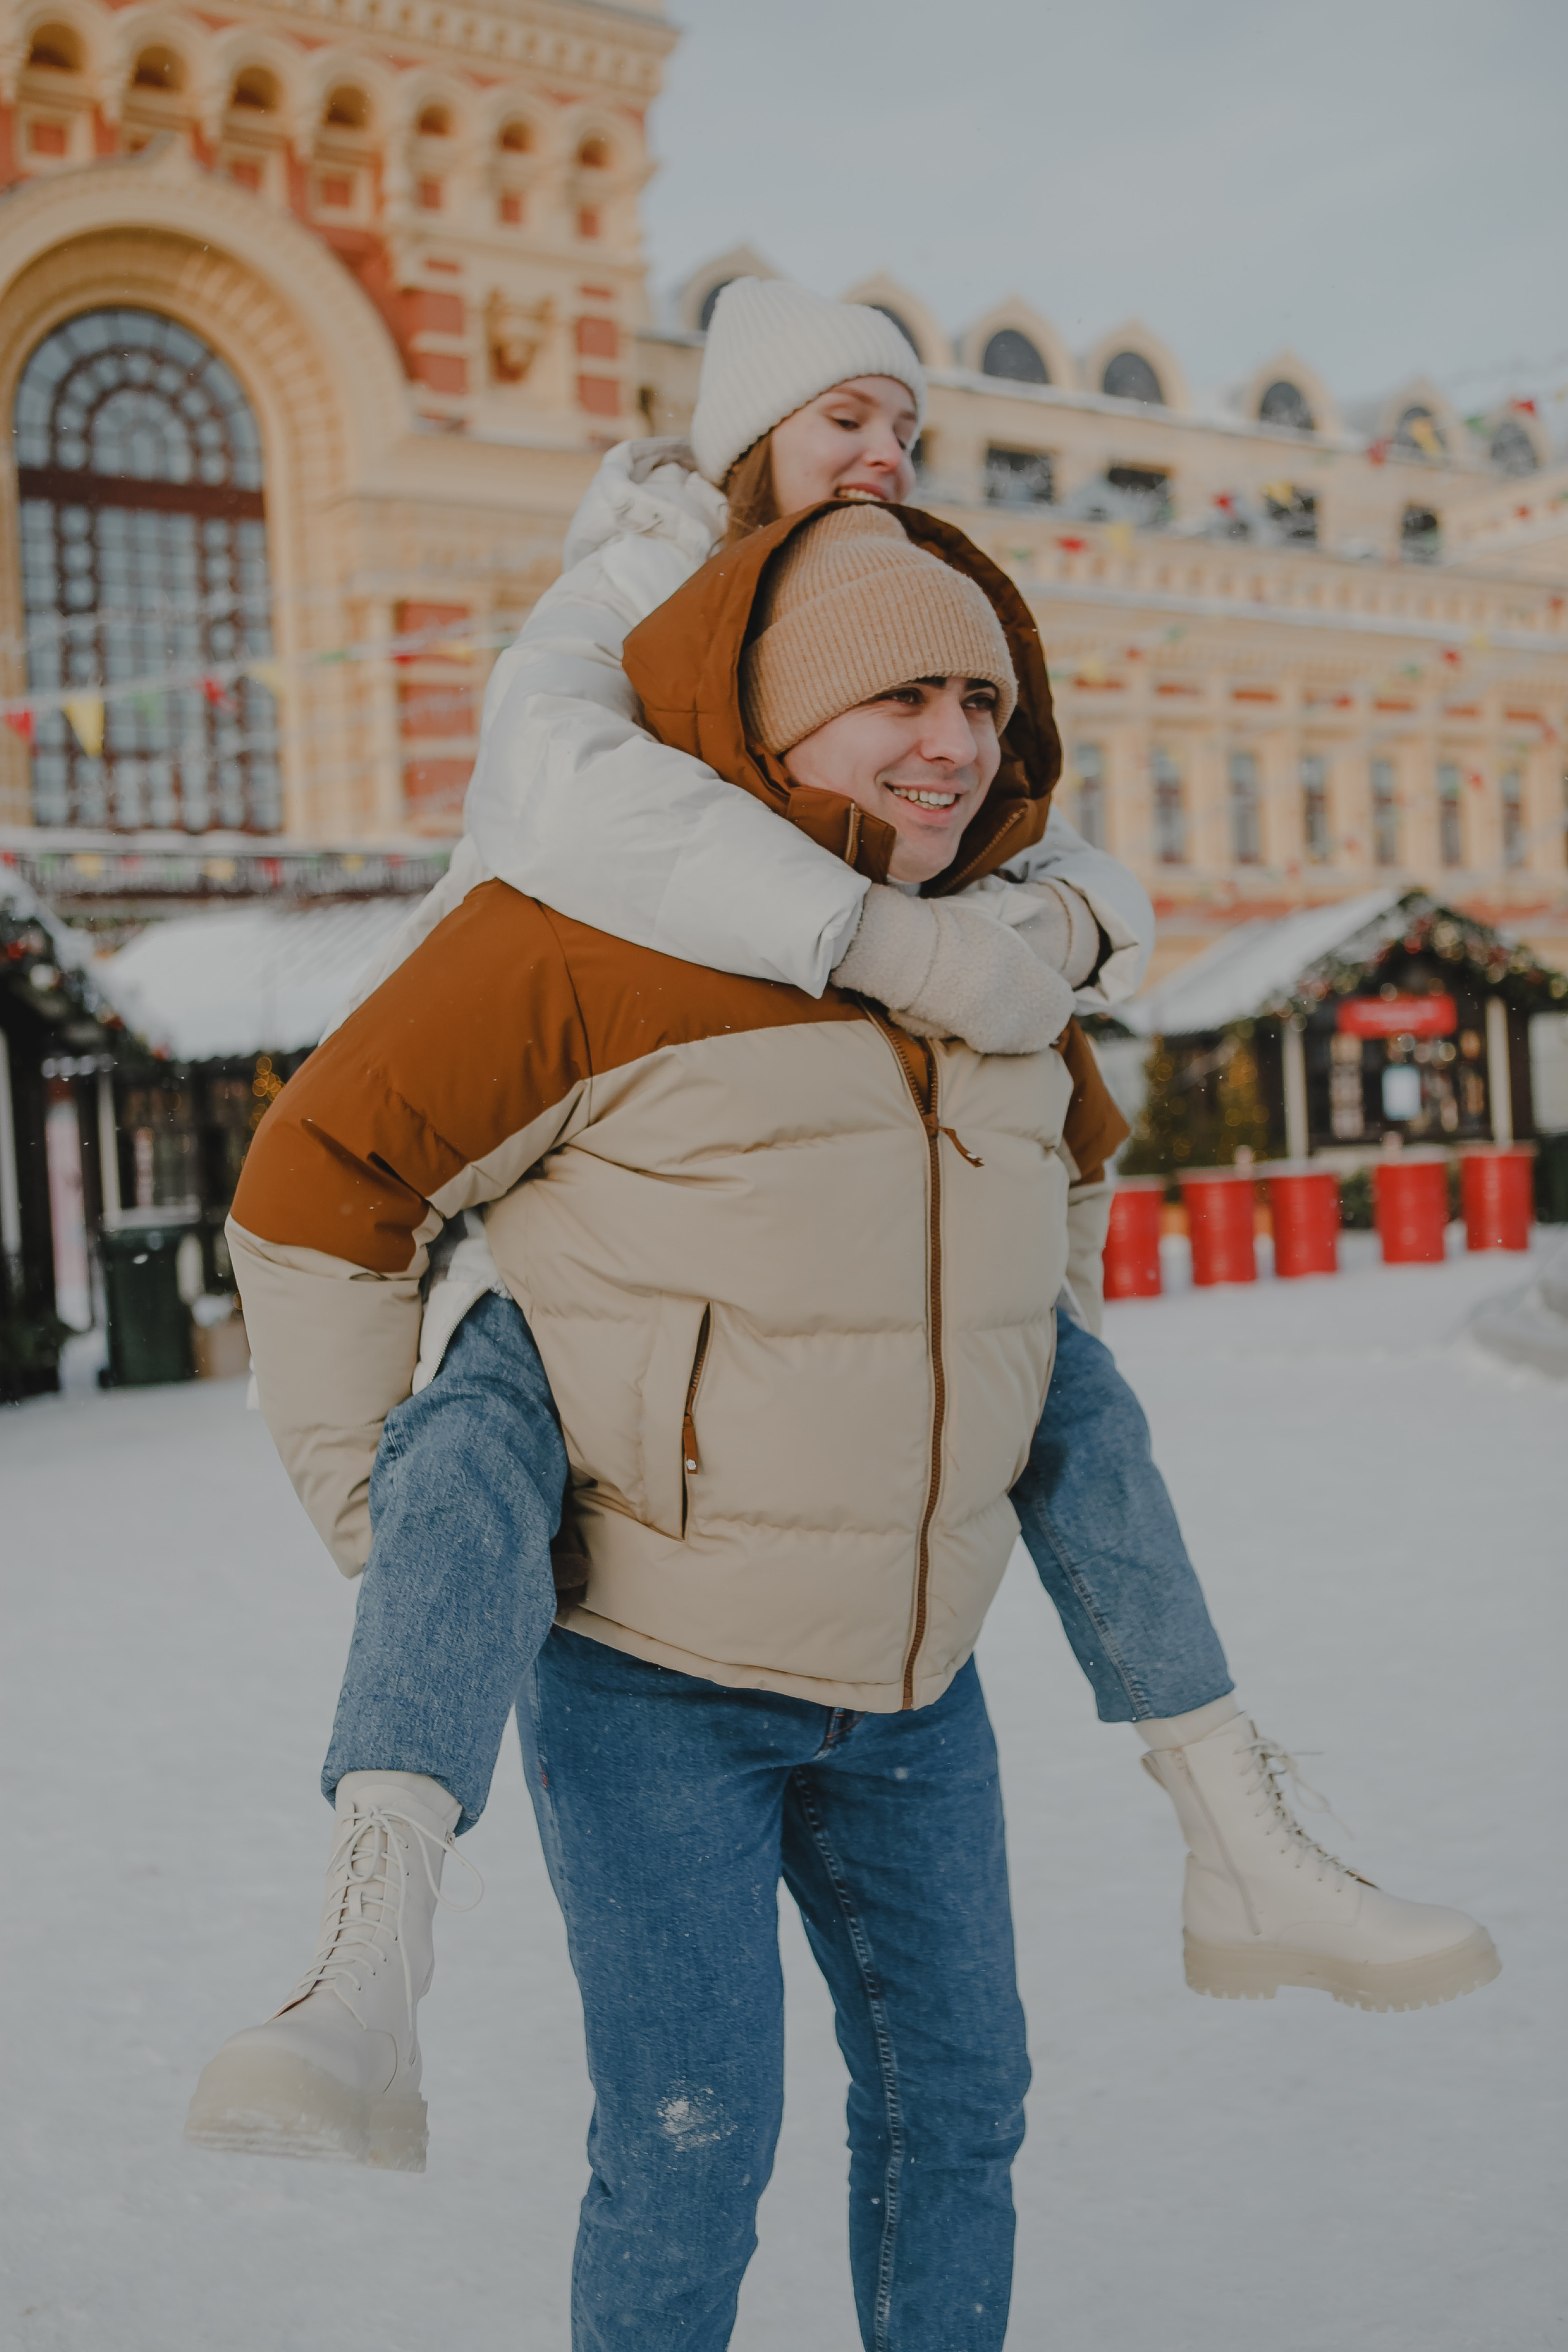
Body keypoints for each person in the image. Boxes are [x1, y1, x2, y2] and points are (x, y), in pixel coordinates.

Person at [187, 290, 1497, 2181]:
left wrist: (1045, 949)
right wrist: (373, 1528)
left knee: (1076, 1395)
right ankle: (366, 1951)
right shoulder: (634, 588)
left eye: (903, 424)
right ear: (740, 447)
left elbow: (1065, 1060)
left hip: (892, 1618)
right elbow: (550, 820)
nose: (881, 450)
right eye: (839, 418)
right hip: (571, 1208)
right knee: (486, 1410)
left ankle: (1240, 1827)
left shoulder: (928, 719)